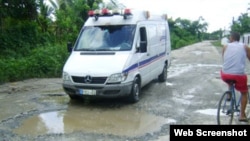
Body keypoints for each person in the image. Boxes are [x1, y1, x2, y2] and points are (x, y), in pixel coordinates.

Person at [220, 31, 250, 122]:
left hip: (225, 74)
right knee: (244, 93)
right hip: (239, 76)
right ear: (239, 39)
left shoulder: (225, 46)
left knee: (229, 78)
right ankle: (242, 115)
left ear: (231, 38)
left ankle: (229, 94)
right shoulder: (245, 47)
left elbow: (224, 59)